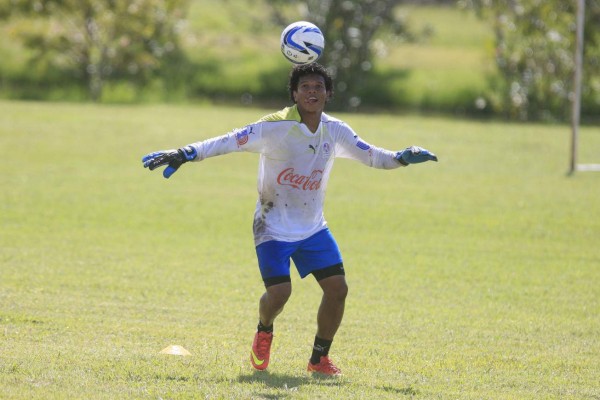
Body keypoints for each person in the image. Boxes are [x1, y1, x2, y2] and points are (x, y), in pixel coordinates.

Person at [142, 63, 437, 376]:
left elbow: (375, 156)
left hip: (313, 228)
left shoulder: (335, 130)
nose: (312, 92)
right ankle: (264, 329)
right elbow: (229, 140)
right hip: (272, 225)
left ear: (329, 94)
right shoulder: (274, 127)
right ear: (294, 94)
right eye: (305, 87)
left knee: (338, 289)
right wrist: (186, 152)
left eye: (318, 87)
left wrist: (403, 157)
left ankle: (319, 360)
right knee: (281, 294)